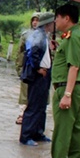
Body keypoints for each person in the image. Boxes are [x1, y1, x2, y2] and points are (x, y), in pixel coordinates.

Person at [41, 3, 80, 158]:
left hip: (68, 89)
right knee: (76, 131)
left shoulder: (73, 38)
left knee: (62, 131)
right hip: (78, 89)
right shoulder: (75, 37)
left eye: (58, 18)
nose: (56, 21)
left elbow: (73, 67)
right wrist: (59, 47)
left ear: (66, 18)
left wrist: (67, 94)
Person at [19, 12, 55, 146]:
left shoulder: (44, 36)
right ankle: (26, 135)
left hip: (44, 74)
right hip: (38, 75)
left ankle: (38, 132)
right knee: (34, 105)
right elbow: (31, 52)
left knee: (41, 105)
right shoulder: (38, 35)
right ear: (48, 24)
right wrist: (37, 68)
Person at [15, 12, 41, 124]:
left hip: (40, 69)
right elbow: (20, 53)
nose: (35, 22)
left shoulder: (46, 35)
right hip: (27, 67)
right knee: (24, 91)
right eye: (33, 20)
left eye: (37, 20)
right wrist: (19, 68)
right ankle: (22, 113)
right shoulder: (25, 35)